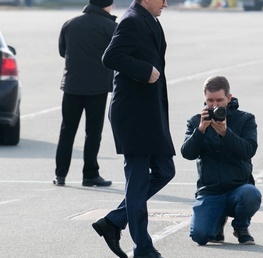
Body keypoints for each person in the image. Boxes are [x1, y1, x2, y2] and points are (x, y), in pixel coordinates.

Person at [91, 0, 175, 257]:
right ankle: (143, 248)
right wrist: (144, 70)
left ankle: (114, 220)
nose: (166, 3)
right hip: (134, 116)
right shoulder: (131, 20)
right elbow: (111, 56)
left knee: (165, 170)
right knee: (137, 182)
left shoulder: (149, 19)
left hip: (149, 113)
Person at [181, 75, 262, 246]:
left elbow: (249, 150)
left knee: (251, 194)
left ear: (229, 98)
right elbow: (187, 153)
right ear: (204, 98)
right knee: (200, 236)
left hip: (238, 187)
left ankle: (241, 227)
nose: (214, 105)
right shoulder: (196, 121)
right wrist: (200, 130)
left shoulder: (245, 119)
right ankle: (217, 223)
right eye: (210, 100)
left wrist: (226, 133)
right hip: (210, 190)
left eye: (219, 100)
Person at [53, 0, 116, 187]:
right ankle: (90, 174)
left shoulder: (71, 23)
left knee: (67, 130)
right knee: (93, 132)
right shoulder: (111, 27)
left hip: (72, 85)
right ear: (108, 4)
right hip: (97, 87)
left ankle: (60, 174)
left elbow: (62, 51)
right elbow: (116, 55)